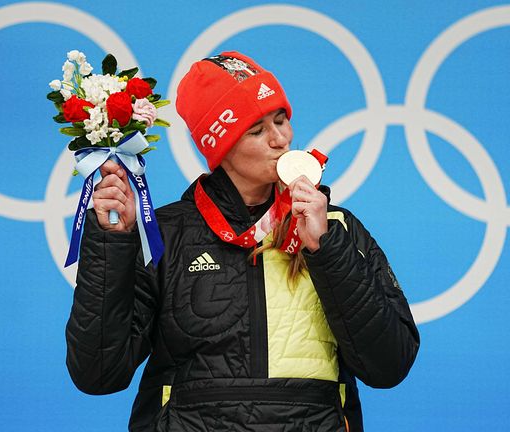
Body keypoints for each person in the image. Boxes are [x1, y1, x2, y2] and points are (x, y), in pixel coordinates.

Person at [65, 51, 419, 432]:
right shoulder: (164, 233)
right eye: (256, 130)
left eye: (281, 120)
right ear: (221, 147)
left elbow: (390, 366)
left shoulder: (336, 227)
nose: (280, 139)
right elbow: (98, 374)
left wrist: (326, 249)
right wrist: (112, 243)